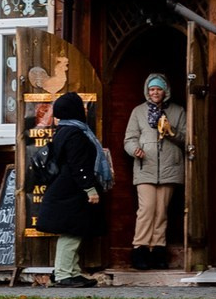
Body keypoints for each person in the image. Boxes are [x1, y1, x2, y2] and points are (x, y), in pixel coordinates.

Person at [27, 90, 111, 287]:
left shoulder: (64, 131)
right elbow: (78, 165)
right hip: (71, 191)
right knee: (71, 232)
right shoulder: (76, 134)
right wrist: (90, 189)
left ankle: (70, 271)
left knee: (75, 230)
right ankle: (65, 274)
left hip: (66, 190)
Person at [122, 73, 188, 271]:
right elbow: (129, 138)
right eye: (152, 89)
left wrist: (171, 131)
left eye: (158, 89)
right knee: (146, 209)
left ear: (165, 91)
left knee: (161, 212)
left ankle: (158, 251)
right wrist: (135, 150)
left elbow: (186, 138)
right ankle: (140, 249)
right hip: (146, 167)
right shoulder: (139, 112)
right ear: (147, 91)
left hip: (170, 167)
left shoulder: (177, 111)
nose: (155, 93)